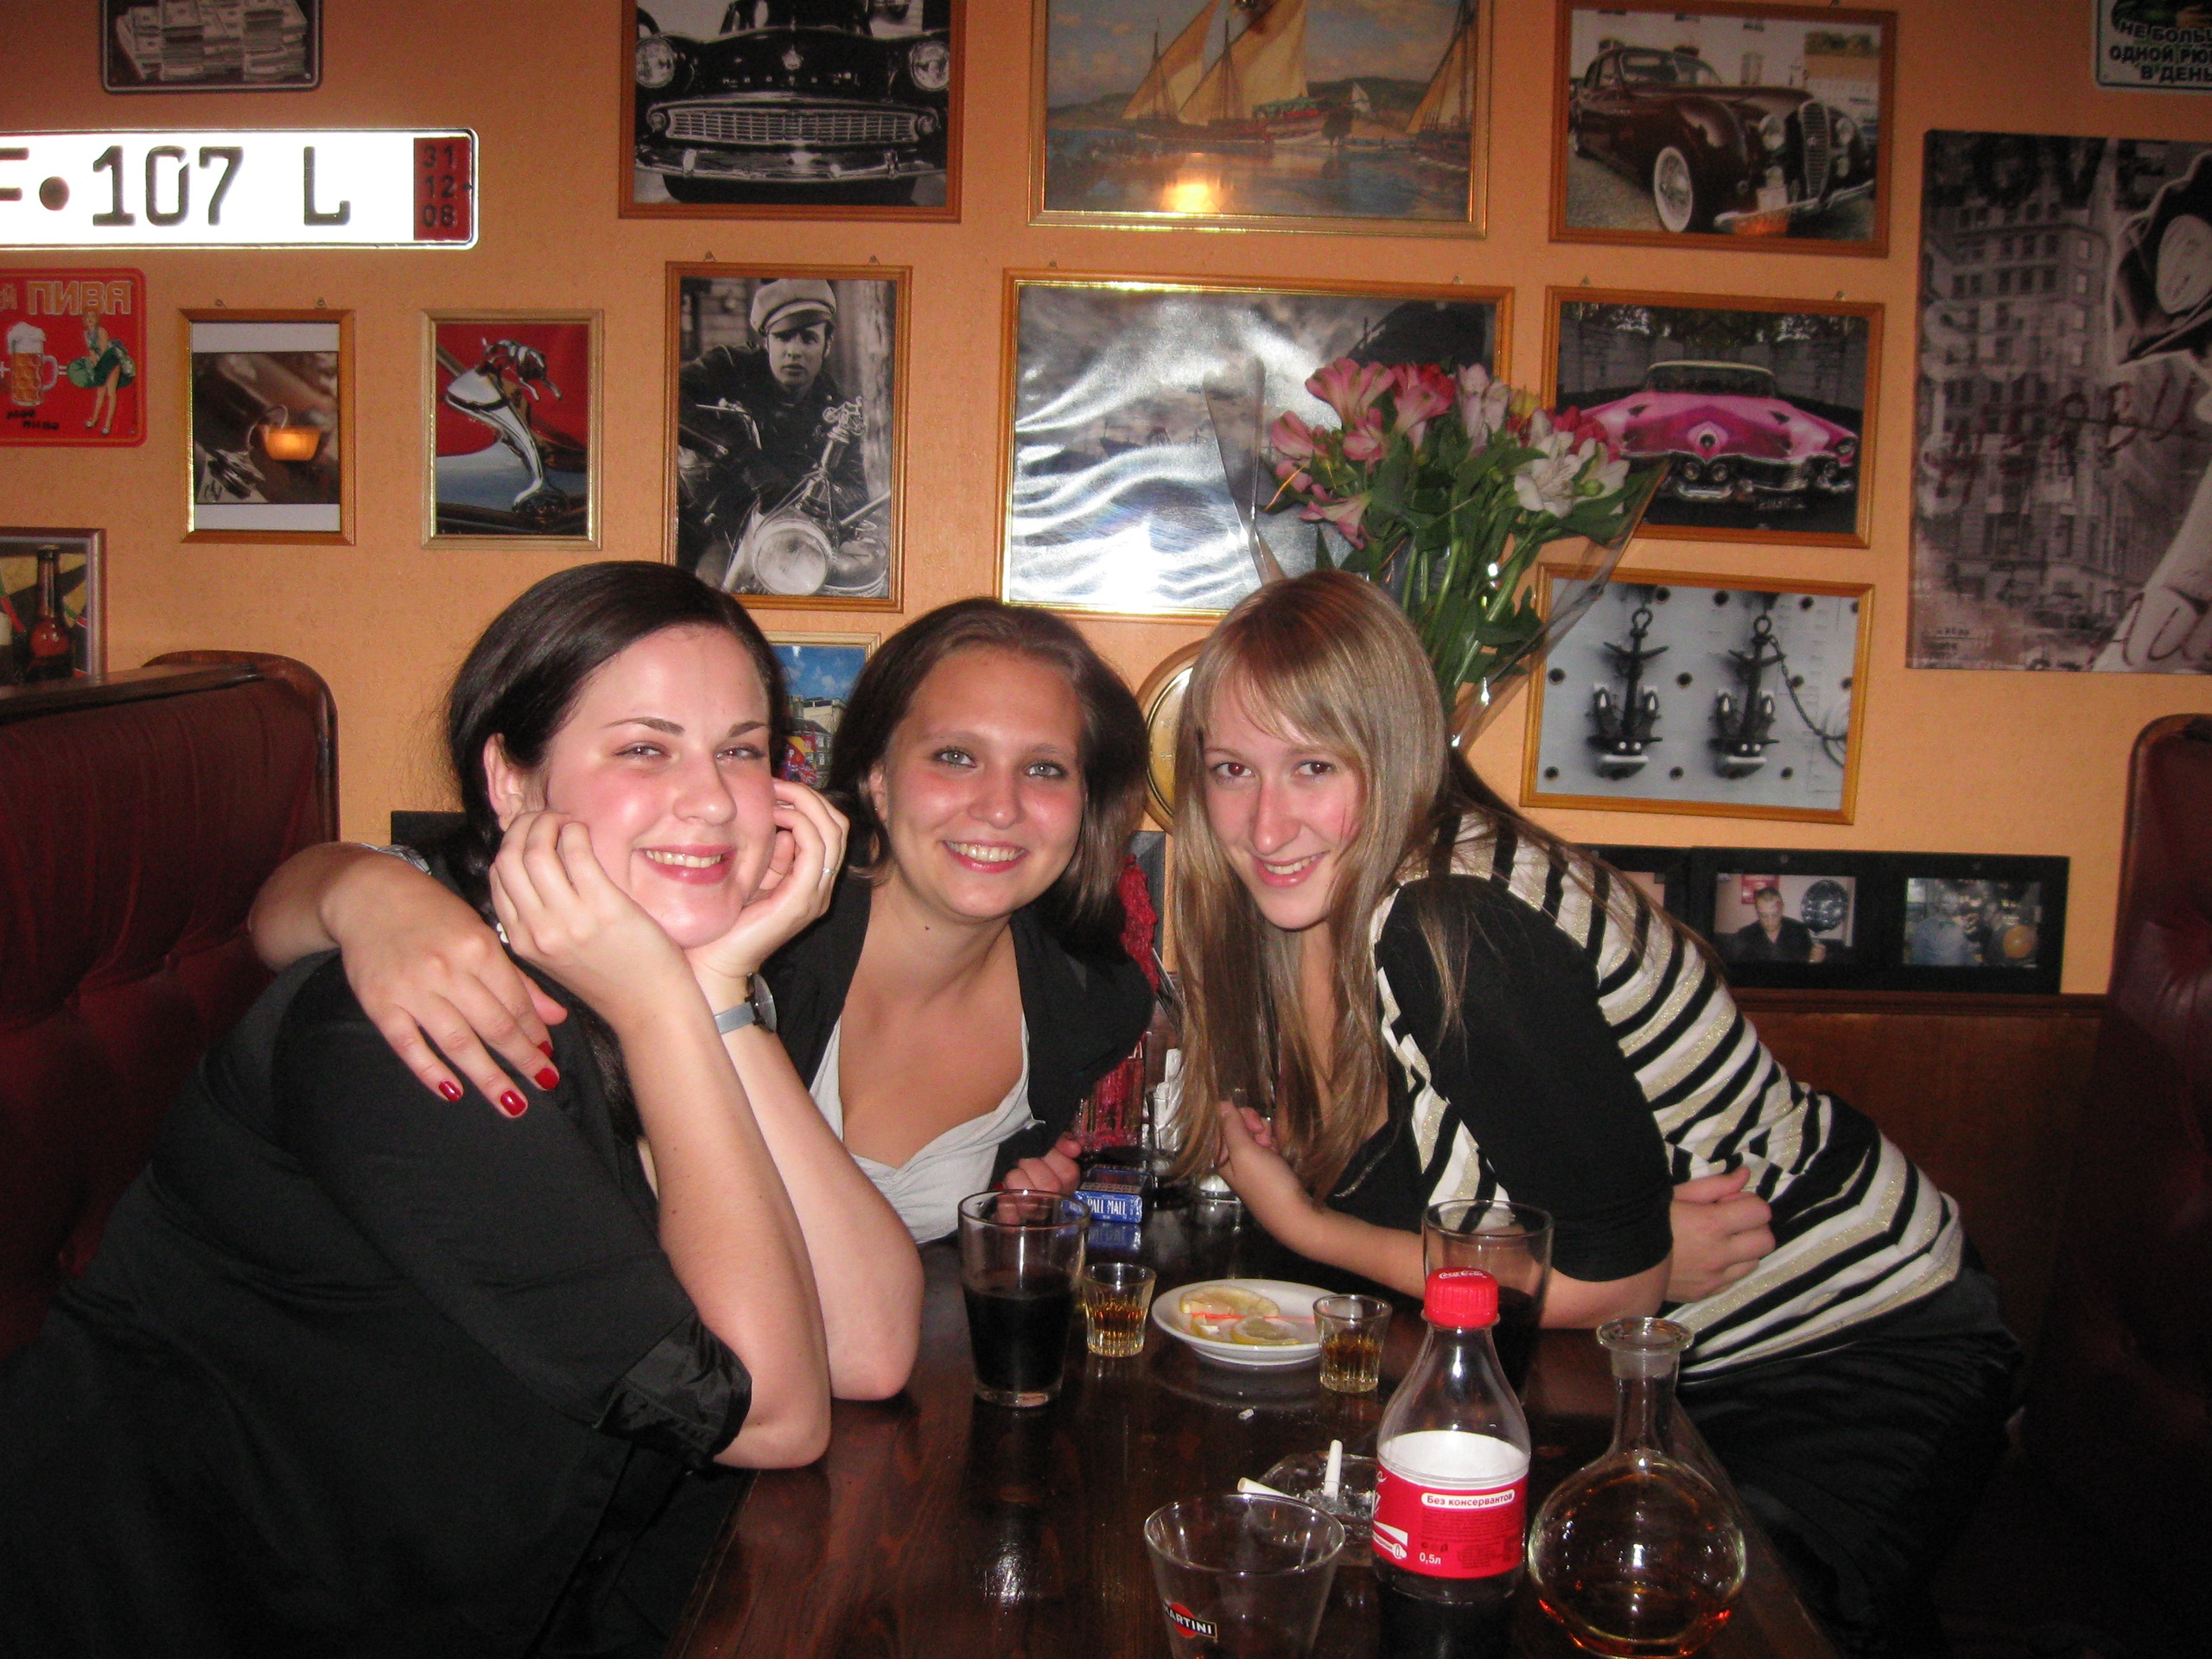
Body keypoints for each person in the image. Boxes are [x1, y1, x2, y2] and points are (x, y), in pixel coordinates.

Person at [0, 563, 921, 1657]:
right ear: (512, 781)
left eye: (742, 750)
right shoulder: (406, 1029)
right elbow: (771, 1416)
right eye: (644, 748)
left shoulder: (635, 986)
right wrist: (666, 1003)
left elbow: (869, 1350)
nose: (716, 800)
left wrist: (716, 993)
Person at [1170, 571, 2018, 1659]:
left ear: (1397, 756)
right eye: (1232, 770)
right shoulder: (1308, 914)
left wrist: (1303, 1223)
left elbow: (1602, 1285)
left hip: (1851, 1345)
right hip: (1650, 1366)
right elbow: (1486, 1221)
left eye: (1314, 767)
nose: (1263, 821)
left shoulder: (1451, 923)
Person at [247, 597, 1157, 1246]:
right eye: (955, 757)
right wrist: (366, 895)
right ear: (876, 777)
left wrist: (1009, 1212)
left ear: (1087, 801)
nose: (999, 807)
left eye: (1045, 770)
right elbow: (309, 906)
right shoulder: (742, 903)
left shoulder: (1090, 998)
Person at [675, 279, 871, 586]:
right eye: (783, 337)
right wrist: (743, 457)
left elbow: (857, 490)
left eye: (809, 339)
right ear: (767, 342)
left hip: (780, 536)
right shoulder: (730, 367)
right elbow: (664, 396)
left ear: (827, 344)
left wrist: (813, 497)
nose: (794, 351)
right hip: (699, 524)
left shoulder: (837, 408)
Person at [1722, 884, 1827, 963]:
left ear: (1782, 908)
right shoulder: (1744, 935)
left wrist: (1814, 960)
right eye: (1764, 915)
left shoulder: (1799, 931)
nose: (1770, 921)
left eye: (1775, 914)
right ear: (1757, 912)